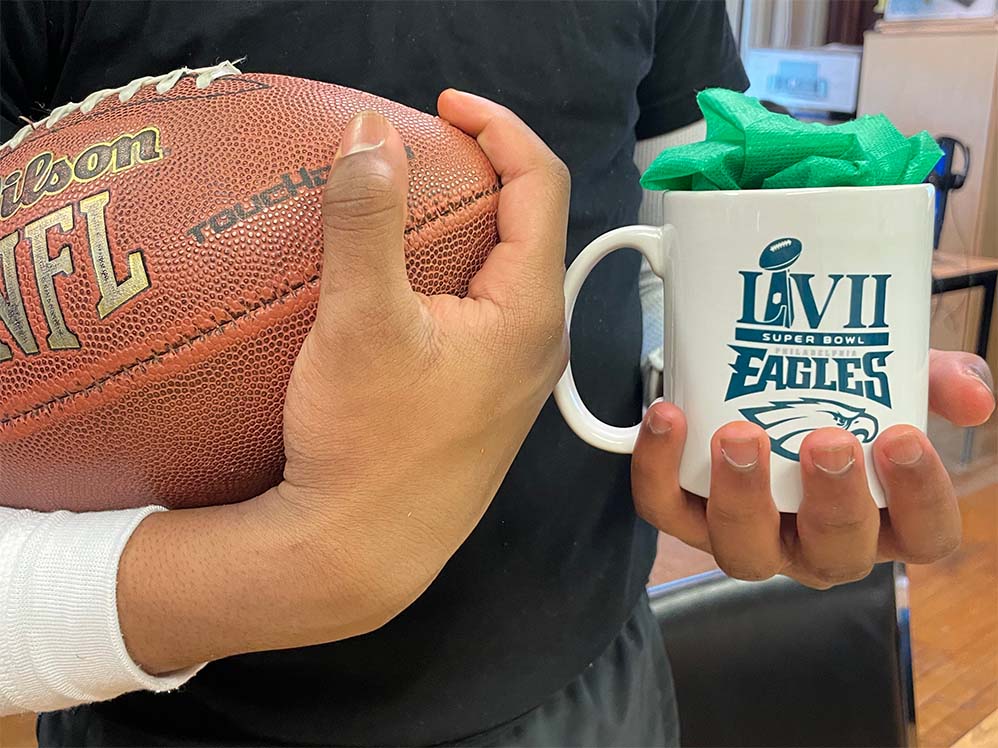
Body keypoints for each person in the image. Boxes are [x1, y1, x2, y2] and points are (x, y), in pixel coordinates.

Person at [1, 2, 993, 746]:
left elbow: (674, 214)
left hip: (581, 678)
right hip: (160, 718)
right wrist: (268, 575)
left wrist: (755, 404)